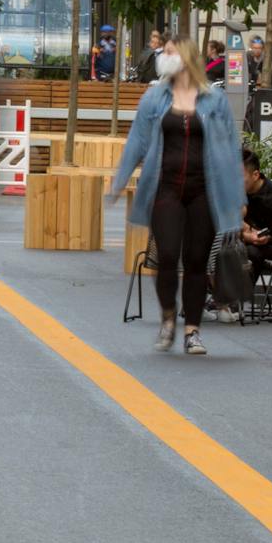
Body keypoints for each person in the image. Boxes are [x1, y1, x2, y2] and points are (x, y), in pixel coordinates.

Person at [109, 37, 244, 356]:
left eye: (169, 52)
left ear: (185, 58)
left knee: (197, 262)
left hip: (204, 190)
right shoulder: (154, 98)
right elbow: (137, 142)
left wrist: (237, 196)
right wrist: (119, 181)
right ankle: (169, 317)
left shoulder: (215, 99)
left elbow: (229, 148)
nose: (162, 57)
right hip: (165, 186)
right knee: (167, 254)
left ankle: (193, 331)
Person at [219, 148, 272, 323]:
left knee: (252, 251)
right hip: (250, 243)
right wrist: (246, 234)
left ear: (255, 175)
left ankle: (235, 301)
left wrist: (257, 238)